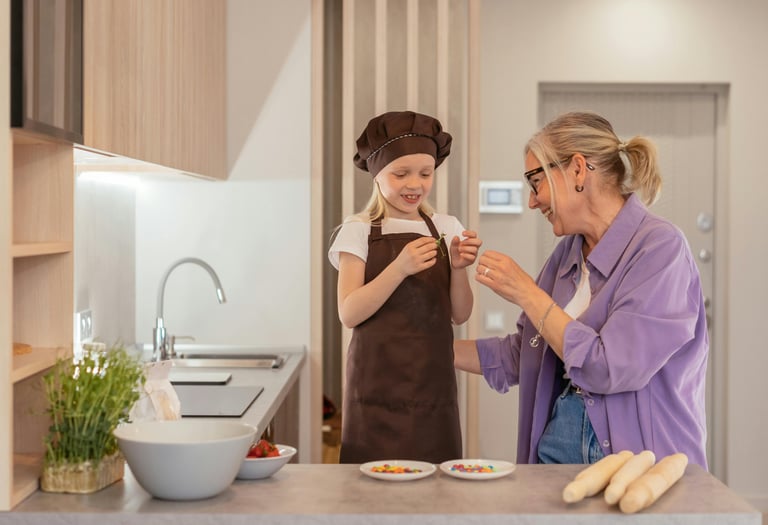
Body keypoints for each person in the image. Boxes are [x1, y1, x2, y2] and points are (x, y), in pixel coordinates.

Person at [455, 111, 709, 468]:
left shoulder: (660, 248)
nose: (533, 201)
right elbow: (525, 352)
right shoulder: (567, 255)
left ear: (577, 169)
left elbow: (612, 367)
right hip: (557, 452)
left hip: (638, 466)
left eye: (535, 182)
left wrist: (527, 292)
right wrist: (433, 350)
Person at [328, 110, 482, 463]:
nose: (415, 184)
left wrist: (458, 269)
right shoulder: (359, 230)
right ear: (377, 175)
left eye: (425, 174)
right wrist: (399, 269)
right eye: (401, 174)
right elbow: (349, 312)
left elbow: (460, 315)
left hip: (433, 392)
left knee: (435, 497)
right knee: (370, 498)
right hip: (373, 393)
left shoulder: (446, 226)